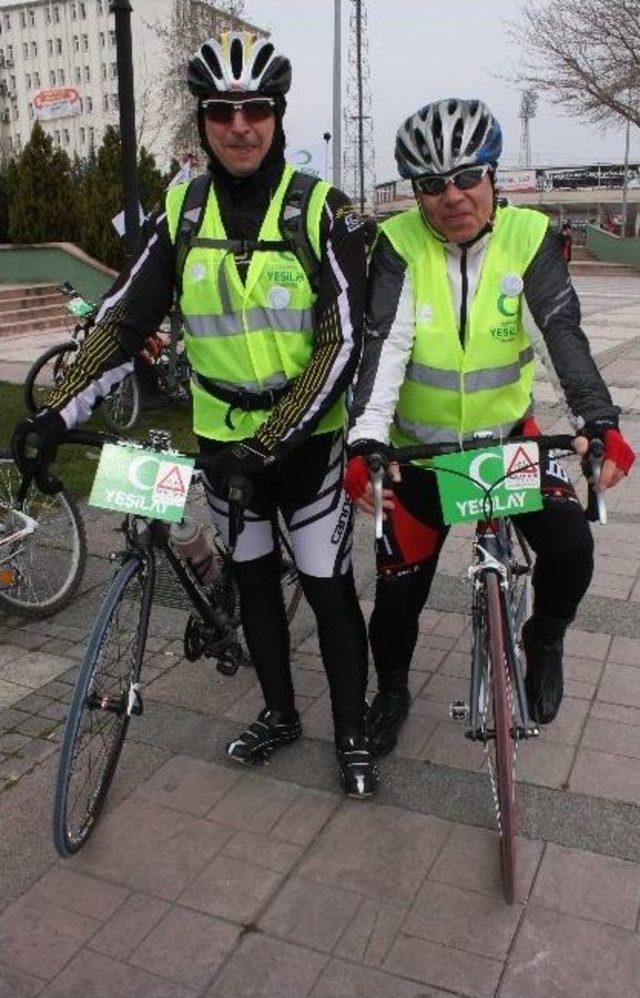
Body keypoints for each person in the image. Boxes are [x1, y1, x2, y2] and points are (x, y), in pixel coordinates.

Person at [12, 32, 378, 798]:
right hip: (219, 439)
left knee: (326, 586)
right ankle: (280, 713)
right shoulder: (181, 209)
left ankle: (351, 732)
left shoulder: (320, 210)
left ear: (277, 114)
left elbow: (340, 342)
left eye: (255, 109)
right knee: (249, 586)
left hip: (303, 441)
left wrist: (272, 439)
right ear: (203, 119)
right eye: (221, 111)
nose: (239, 125)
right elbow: (120, 320)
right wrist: (52, 413)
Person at [345, 98, 635, 756]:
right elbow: (383, 349)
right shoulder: (396, 245)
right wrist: (363, 441)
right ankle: (390, 690)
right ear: (414, 192)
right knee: (395, 603)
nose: (451, 197)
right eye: (430, 184)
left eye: (467, 176)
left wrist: (598, 417)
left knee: (572, 549)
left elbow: (560, 331)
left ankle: (545, 639)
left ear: (493, 176)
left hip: (507, 445)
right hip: (423, 456)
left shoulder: (528, 237)